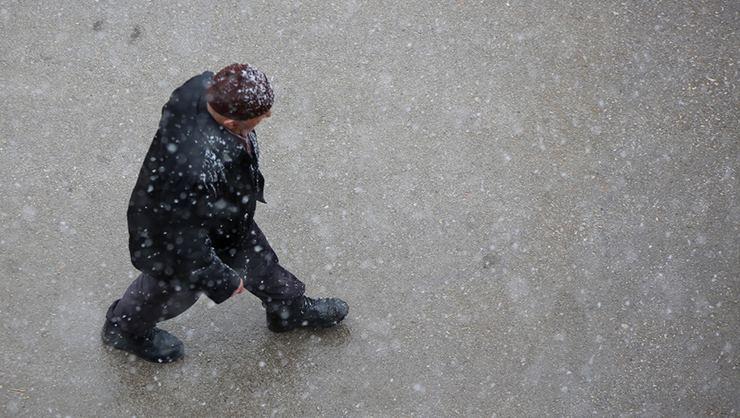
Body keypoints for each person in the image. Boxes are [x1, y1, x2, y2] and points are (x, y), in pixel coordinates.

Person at [101, 63, 349, 363]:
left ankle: (287, 309)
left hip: (223, 216)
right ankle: (124, 328)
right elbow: (184, 240)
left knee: (260, 260)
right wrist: (222, 279)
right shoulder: (192, 167)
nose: (267, 118)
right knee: (166, 289)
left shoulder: (204, 89)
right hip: (172, 239)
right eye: (259, 119)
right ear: (231, 123)